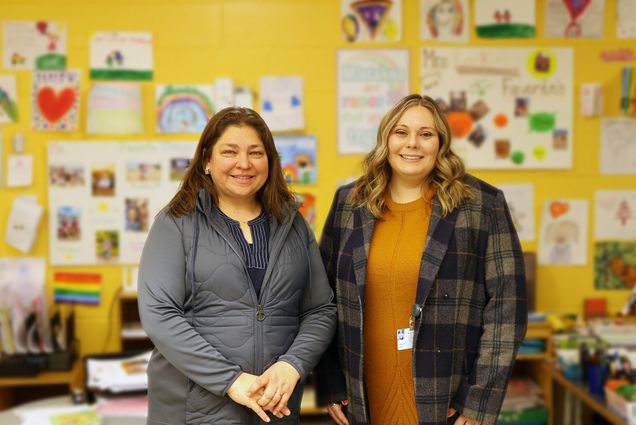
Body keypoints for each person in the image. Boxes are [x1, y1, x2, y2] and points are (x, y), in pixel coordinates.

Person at [315, 94, 527, 425]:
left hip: (448, 401)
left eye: (426, 134)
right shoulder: (349, 203)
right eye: (401, 132)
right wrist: (331, 384)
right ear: (386, 139)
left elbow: (507, 309)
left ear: (441, 143)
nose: (412, 143)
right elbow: (322, 299)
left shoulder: (482, 205)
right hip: (363, 397)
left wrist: (478, 402)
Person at [138, 106, 337, 424]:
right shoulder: (175, 223)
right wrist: (230, 379)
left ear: (269, 162)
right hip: (193, 412)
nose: (244, 164)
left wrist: (292, 365)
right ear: (207, 159)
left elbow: (320, 310)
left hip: (274, 408)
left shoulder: (293, 224)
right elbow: (159, 314)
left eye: (255, 153)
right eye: (230, 152)